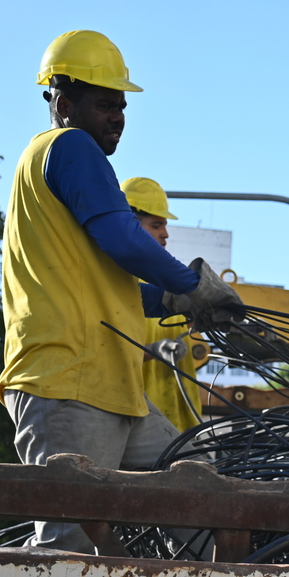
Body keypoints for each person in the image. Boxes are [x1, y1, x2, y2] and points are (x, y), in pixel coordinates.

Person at [0, 30, 242, 554]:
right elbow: (119, 237)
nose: (118, 117)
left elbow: (109, 280)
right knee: (70, 551)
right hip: (67, 383)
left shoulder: (61, 165)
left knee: (197, 498)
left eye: (122, 107)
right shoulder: (69, 147)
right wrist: (191, 284)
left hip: (112, 387)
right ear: (64, 103)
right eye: (105, 104)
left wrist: (170, 300)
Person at [121, 176, 203, 431]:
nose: (165, 233)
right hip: (136, 418)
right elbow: (110, 355)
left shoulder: (169, 287)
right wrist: (155, 351)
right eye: (156, 225)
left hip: (182, 423)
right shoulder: (118, 287)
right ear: (130, 224)